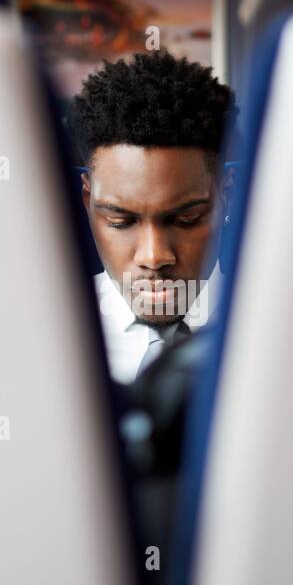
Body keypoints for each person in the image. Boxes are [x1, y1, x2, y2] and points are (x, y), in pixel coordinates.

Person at [69, 50, 236, 384]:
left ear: (226, 195)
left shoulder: (274, 332)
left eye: (186, 218)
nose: (154, 256)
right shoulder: (53, 332)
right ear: (88, 200)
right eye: (121, 221)